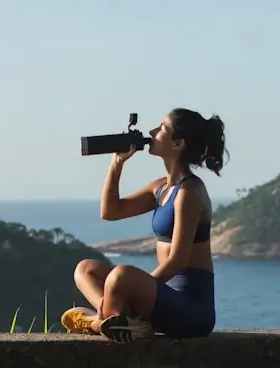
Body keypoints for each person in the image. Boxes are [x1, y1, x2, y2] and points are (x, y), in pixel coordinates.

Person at [61, 107, 229, 343]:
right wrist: (117, 164)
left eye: (161, 128)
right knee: (85, 269)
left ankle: (96, 322)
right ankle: (118, 321)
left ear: (177, 144)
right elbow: (110, 211)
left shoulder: (190, 192)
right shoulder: (160, 188)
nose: (152, 132)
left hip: (190, 309)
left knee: (121, 276)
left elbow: (177, 260)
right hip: (161, 297)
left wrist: (136, 286)